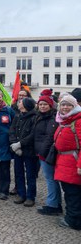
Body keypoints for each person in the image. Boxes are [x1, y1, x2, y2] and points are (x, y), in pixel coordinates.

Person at [54, 94, 81, 230]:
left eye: (68, 105)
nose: (65, 107)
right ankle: (72, 217)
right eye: (63, 104)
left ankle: (74, 221)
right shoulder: (65, 120)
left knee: (73, 193)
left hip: (73, 162)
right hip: (64, 162)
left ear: (74, 106)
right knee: (70, 192)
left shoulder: (78, 120)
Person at [33, 95, 61, 215]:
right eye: (41, 104)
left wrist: (42, 153)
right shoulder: (41, 116)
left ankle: (52, 205)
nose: (42, 106)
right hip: (43, 152)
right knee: (52, 179)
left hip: (46, 153)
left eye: (45, 104)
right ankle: (56, 203)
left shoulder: (52, 118)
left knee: (50, 179)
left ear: (50, 106)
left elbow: (49, 137)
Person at [9, 97, 38, 207]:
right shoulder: (18, 116)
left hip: (29, 151)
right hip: (17, 151)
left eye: (21, 102)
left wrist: (20, 144)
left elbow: (32, 134)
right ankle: (21, 194)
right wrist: (14, 145)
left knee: (30, 174)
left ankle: (31, 196)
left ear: (25, 105)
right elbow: (12, 131)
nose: (18, 103)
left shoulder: (34, 117)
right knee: (18, 173)